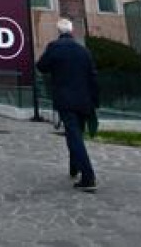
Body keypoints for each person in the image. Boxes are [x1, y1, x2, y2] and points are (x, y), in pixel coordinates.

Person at [36, 18, 99, 191]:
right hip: (84, 100)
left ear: (59, 32)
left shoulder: (55, 48)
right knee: (76, 133)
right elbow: (93, 76)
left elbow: (41, 66)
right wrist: (95, 101)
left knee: (74, 136)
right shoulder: (83, 50)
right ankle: (74, 166)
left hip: (65, 99)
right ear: (72, 32)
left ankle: (88, 175)